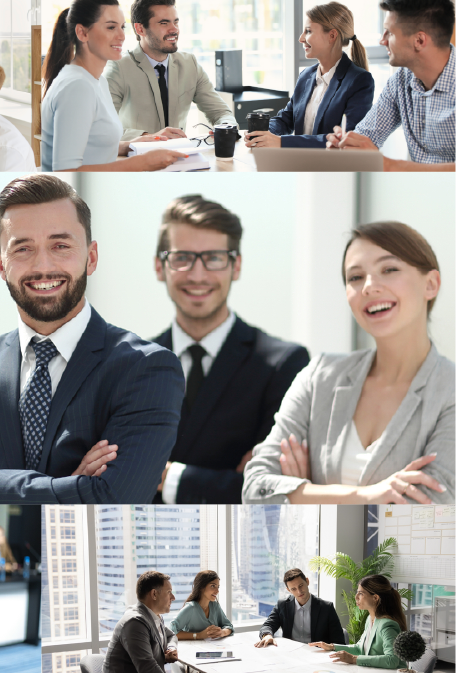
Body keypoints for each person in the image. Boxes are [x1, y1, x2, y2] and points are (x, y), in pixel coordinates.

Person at [0, 174, 185, 504]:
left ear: (91, 257)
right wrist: (71, 489)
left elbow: (112, 502)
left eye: (61, 246)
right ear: (0, 265)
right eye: (23, 248)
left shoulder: (147, 369)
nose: (43, 266)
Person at [243, 221, 456, 504]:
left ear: (430, 285)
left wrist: (304, 493)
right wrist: (365, 496)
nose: (369, 286)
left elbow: (427, 513)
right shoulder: (320, 376)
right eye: (355, 277)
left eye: (389, 269)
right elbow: (256, 488)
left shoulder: (449, 392)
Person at [152, 196, 309, 505]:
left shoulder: (284, 364)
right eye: (182, 257)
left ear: (236, 266)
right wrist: (232, 482)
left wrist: (167, 476)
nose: (198, 275)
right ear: (160, 266)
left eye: (214, 258)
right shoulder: (131, 364)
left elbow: (271, 490)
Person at [41, 0, 185, 171]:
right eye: (111, 27)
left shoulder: (97, 81)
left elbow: (88, 144)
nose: (122, 36)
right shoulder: (77, 87)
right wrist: (143, 163)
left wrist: (131, 145)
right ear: (82, 33)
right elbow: (65, 172)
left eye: (122, 27)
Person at [327, 0, 456, 170]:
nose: (382, 40)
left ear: (419, 41)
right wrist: (347, 144)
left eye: (390, 32)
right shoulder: (400, 82)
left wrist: (388, 165)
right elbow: (367, 134)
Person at [105, 0, 235, 142]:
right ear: (140, 29)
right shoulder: (118, 67)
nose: (174, 29)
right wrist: (151, 137)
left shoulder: (189, 64)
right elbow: (104, 128)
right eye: (164, 23)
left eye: (176, 22)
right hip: (138, 158)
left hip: (181, 158)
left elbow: (220, 112)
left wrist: (226, 128)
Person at [245, 2, 373, 150]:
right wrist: (261, 133)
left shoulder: (359, 81)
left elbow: (345, 138)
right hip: (300, 166)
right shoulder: (306, 75)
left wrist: (282, 143)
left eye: (308, 31)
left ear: (332, 35)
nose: (301, 38)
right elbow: (286, 119)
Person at [99, 570, 216, 673]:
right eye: (169, 592)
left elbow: (171, 635)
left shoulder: (153, 616)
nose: (173, 597)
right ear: (154, 594)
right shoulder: (135, 622)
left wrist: (170, 648)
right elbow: (148, 669)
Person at [168, 570, 235, 673]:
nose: (217, 590)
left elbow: (229, 626)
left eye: (218, 586)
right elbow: (171, 632)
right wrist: (198, 635)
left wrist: (222, 632)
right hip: (194, 661)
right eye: (213, 586)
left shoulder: (215, 606)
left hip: (215, 656)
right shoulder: (190, 609)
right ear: (201, 587)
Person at [310, 574, 406, 668]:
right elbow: (359, 648)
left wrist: (354, 659)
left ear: (375, 598)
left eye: (361, 593)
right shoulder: (370, 619)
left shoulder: (387, 625)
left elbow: (392, 660)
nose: (356, 597)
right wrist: (332, 647)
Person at [255, 568, 345, 647]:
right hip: (292, 655)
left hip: (317, 655)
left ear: (307, 581)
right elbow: (268, 625)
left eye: (301, 585)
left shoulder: (326, 608)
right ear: (288, 590)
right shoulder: (282, 605)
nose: (299, 592)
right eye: (293, 589)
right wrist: (267, 635)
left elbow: (339, 642)